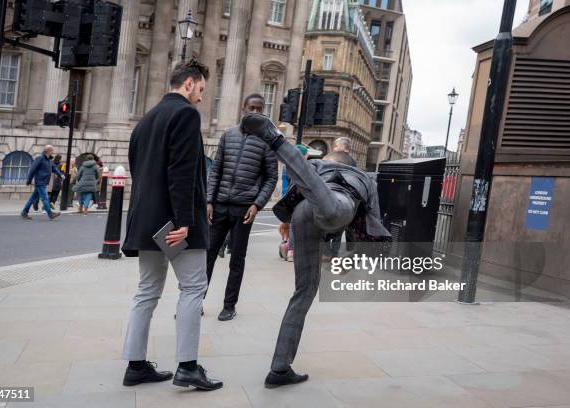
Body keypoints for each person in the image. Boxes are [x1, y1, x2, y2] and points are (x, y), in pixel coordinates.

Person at [240, 113, 390, 389]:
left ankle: (280, 369)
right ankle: (276, 140)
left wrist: (286, 222)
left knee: (303, 292)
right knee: (328, 204)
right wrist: (352, 259)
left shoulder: (321, 167)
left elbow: (301, 187)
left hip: (303, 212)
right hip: (335, 205)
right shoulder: (364, 178)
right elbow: (372, 223)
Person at [121, 60, 222, 391]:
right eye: (202, 90)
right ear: (190, 83)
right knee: (193, 287)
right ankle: (188, 367)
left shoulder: (145, 121)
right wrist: (184, 221)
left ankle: (136, 365)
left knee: (147, 291)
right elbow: (182, 171)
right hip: (175, 224)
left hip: (146, 220)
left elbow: (139, 170)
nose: (201, 99)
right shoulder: (185, 115)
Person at [205, 93, 278, 321]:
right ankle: (194, 301)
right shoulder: (228, 135)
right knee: (207, 256)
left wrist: (257, 204)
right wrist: (209, 200)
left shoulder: (267, 141)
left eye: (259, 109)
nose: (255, 112)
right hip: (219, 206)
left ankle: (229, 305)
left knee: (237, 260)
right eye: (251, 108)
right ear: (243, 110)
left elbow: (271, 178)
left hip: (244, 209)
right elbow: (216, 170)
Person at [21, 145, 63, 220]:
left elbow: (54, 168)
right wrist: (29, 180)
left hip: (44, 181)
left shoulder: (50, 160)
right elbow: (32, 170)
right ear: (48, 151)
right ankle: (50, 214)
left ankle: (24, 212)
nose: (53, 152)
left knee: (32, 198)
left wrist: (60, 175)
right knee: (45, 198)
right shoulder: (40, 159)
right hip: (40, 181)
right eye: (52, 150)